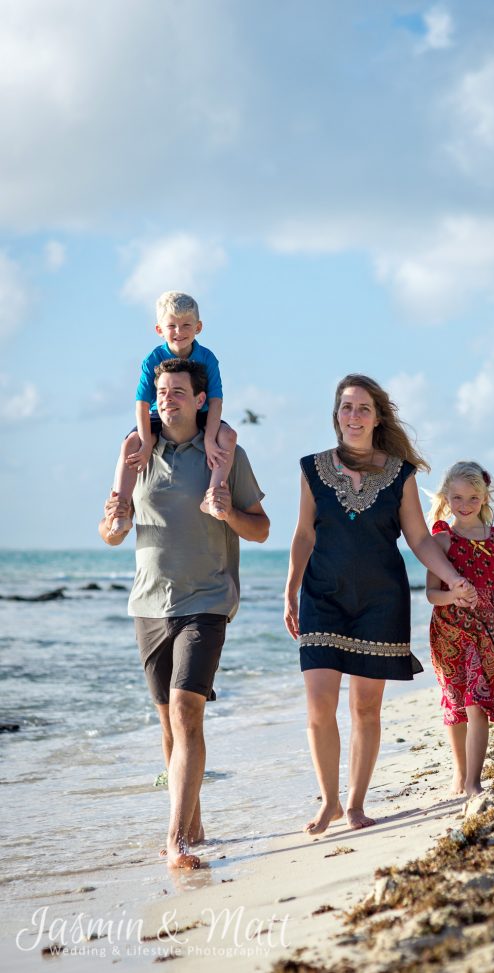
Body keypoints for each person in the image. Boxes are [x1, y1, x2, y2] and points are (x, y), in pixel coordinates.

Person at [284, 374, 476, 835]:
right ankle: (328, 799)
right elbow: (305, 533)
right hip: (322, 598)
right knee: (318, 707)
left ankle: (354, 803)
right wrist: (289, 589)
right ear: (336, 416)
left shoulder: (400, 474)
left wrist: (452, 577)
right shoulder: (312, 468)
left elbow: (418, 539)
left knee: (366, 709)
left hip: (380, 602)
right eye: (347, 407)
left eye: (363, 408)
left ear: (377, 417)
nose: (354, 416)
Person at [99, 358, 269, 869]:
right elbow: (111, 534)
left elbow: (260, 529)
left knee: (187, 711)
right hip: (148, 604)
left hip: (207, 601)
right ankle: (194, 827)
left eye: (177, 390)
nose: (166, 398)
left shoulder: (224, 454)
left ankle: (175, 842)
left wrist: (227, 512)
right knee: (168, 727)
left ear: (201, 399)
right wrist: (114, 521)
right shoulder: (137, 451)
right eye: (160, 390)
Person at [426, 460, 494, 798]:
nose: (465, 506)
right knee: (455, 703)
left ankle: (473, 782)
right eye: (457, 498)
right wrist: (453, 595)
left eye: (473, 498)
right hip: (451, 632)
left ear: (484, 498)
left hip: (493, 632)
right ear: (446, 497)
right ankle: (460, 772)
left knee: (477, 701)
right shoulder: (441, 539)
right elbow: (431, 594)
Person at [110, 290, 237, 534]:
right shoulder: (153, 358)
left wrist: (210, 439)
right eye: (172, 326)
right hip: (161, 413)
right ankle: (121, 511)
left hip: (202, 412)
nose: (179, 332)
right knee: (131, 442)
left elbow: (216, 401)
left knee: (228, 437)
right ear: (159, 329)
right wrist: (147, 442)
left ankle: (213, 496)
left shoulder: (208, 357)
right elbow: (142, 404)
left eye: (186, 325)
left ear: (198, 327)